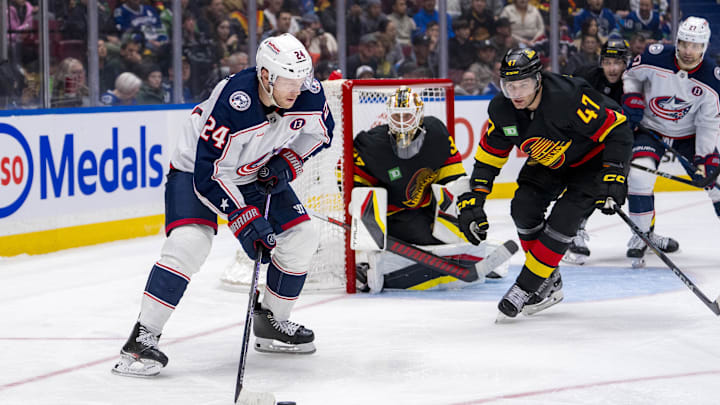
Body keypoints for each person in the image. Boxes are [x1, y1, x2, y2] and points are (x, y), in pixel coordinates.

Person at [112, 34, 335, 377]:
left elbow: (323, 131)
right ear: (266, 77)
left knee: (302, 235)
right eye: (289, 81)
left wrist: (287, 162)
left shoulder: (308, 93)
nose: (298, 89)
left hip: (253, 170)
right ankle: (142, 338)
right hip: (196, 170)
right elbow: (208, 174)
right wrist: (245, 220)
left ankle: (272, 320)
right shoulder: (234, 101)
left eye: (302, 79)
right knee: (189, 243)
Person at [457, 48, 633, 318]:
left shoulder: (568, 97)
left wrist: (614, 172)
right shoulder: (502, 110)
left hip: (592, 162)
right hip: (550, 161)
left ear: (538, 80)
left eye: (523, 85)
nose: (516, 93)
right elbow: (489, 157)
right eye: (510, 86)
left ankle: (526, 287)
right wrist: (476, 198)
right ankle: (549, 280)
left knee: (564, 218)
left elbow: (617, 128)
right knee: (523, 208)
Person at [353, 86, 508, 292]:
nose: (401, 122)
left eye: (407, 115)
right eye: (396, 116)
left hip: (426, 207)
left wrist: (468, 211)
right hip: (394, 214)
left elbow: (454, 179)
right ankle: (367, 264)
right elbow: (356, 190)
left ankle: (471, 253)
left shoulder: (437, 136)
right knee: (427, 239)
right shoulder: (371, 145)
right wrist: (366, 236)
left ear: (419, 115)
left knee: (454, 233)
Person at [622, 17, 720, 268]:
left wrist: (703, 159)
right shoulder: (655, 56)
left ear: (705, 47)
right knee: (639, 175)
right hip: (651, 130)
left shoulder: (711, 79)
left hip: (689, 136)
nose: (689, 51)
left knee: (717, 183)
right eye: (685, 43)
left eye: (696, 46)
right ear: (676, 41)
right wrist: (632, 97)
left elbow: (708, 124)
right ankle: (641, 236)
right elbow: (630, 75)